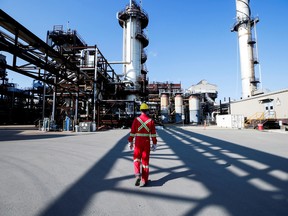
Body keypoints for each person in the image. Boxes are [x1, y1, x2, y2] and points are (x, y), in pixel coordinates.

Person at [128, 102, 157, 187]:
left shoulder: (136, 120)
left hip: (138, 142)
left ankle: (137, 175)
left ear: (140, 110)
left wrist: (130, 141)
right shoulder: (150, 121)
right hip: (146, 143)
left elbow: (132, 132)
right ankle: (144, 180)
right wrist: (154, 143)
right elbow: (153, 134)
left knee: (136, 159)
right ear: (147, 111)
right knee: (145, 162)